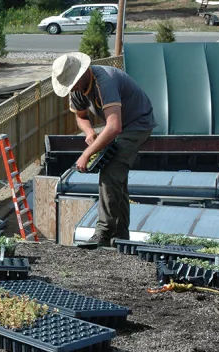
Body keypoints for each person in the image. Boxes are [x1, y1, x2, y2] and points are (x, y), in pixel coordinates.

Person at [51, 52, 157, 247]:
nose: (71, 89)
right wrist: (89, 132)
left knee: (109, 170)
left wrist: (86, 153)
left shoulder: (104, 81)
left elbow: (114, 126)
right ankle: (121, 234)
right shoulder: (77, 89)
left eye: (72, 83)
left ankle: (103, 232)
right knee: (117, 179)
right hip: (118, 126)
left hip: (137, 123)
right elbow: (81, 116)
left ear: (82, 74)